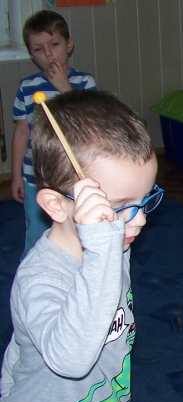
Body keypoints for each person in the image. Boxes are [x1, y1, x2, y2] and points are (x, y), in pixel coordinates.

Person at [0, 90, 160, 402]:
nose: (139, 219)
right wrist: (103, 246)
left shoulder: (113, 240)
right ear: (57, 206)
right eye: (121, 207)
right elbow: (71, 361)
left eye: (145, 200)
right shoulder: (43, 278)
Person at [10, 10, 97, 260]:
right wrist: (16, 175)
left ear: (69, 45)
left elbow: (89, 124)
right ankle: (34, 271)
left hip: (73, 175)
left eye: (54, 44)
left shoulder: (84, 83)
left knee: (77, 230)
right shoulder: (27, 88)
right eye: (38, 49)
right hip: (36, 176)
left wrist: (65, 89)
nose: (48, 54)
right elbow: (22, 132)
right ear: (31, 55)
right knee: (37, 233)